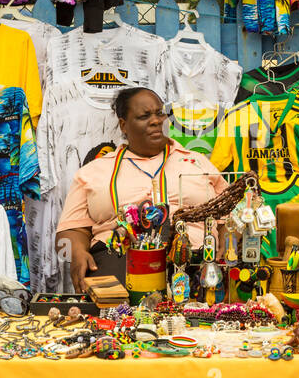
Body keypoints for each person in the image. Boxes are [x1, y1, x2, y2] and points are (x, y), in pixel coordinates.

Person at [59, 87, 227, 292]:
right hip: (119, 257)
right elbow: (70, 229)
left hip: (194, 257)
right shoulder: (93, 172)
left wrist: (228, 240)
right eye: (144, 116)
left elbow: (230, 212)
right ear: (124, 125)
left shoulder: (196, 163)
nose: (156, 121)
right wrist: (76, 251)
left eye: (160, 113)